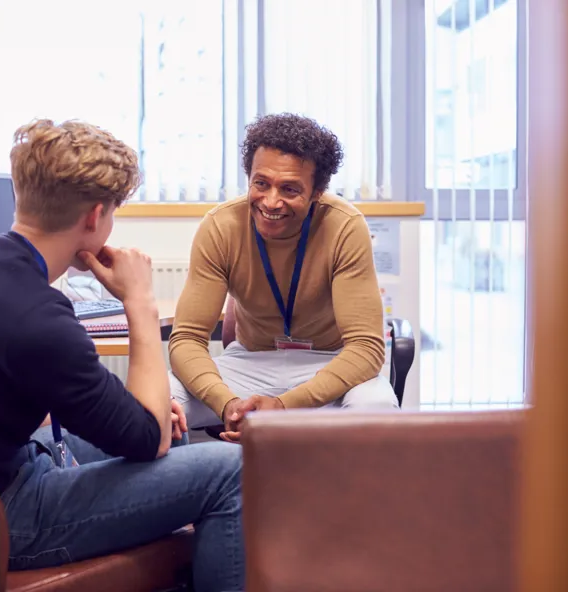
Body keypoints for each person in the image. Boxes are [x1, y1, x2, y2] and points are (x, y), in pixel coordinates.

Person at [0, 119, 244, 591]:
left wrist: (149, 423)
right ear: (95, 218)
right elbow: (146, 438)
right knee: (229, 471)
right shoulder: (38, 317)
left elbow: (138, 426)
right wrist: (140, 302)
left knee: (172, 435)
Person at [169, 113, 398, 442]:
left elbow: (366, 348)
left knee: (377, 411)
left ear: (317, 191)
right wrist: (228, 405)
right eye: (261, 183)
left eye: (290, 189)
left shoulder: (345, 226)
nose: (271, 201)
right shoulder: (220, 226)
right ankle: (196, 489)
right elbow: (187, 340)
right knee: (158, 402)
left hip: (328, 363)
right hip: (250, 363)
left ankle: (344, 495)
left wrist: (285, 406)